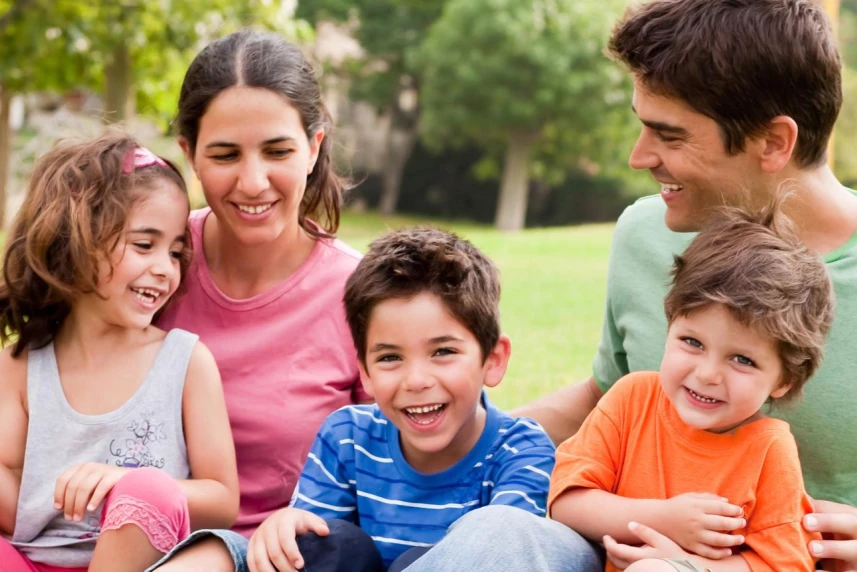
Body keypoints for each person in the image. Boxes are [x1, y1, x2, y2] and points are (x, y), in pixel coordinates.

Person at [401, 1, 857, 570]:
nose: (638, 157)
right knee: (498, 536)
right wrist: (456, 437)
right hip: (614, 547)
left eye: (668, 135)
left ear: (772, 142)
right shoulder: (649, 233)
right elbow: (610, 395)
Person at [149, 29, 371, 571]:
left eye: (278, 151)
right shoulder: (148, 265)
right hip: (127, 542)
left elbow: (400, 466)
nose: (253, 182)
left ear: (314, 147)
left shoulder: (364, 294)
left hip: (287, 555)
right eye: (225, 155)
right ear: (189, 154)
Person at [243, 227, 557, 572]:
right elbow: (314, 554)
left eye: (443, 351)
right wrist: (283, 530)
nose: (417, 381)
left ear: (493, 360)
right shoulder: (347, 438)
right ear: (364, 372)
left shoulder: (521, 451)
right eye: (390, 358)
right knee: (318, 542)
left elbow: (508, 552)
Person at [0, 132, 239, 572]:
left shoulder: (184, 363)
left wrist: (125, 481)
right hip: (33, 562)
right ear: (74, 241)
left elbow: (223, 500)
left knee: (150, 490)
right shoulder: (20, 365)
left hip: (140, 563)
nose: (165, 269)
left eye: (175, 252)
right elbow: (16, 509)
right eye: (144, 245)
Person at [550, 203, 832, 571]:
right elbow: (565, 504)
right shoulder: (631, 399)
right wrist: (664, 519)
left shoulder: (769, 449)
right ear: (669, 327)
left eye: (742, 360)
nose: (707, 374)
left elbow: (785, 563)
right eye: (692, 342)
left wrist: (685, 565)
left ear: (784, 380)